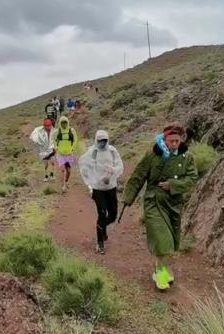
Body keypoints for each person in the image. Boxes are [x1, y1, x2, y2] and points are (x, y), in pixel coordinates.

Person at [122, 123, 198, 290]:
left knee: (170, 242)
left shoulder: (187, 157)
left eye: (177, 141)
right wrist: (128, 197)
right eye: (171, 141)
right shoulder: (152, 155)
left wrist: (173, 184)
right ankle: (161, 276)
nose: (174, 144)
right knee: (162, 239)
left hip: (173, 205)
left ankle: (161, 268)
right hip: (153, 201)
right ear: (164, 139)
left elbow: (192, 178)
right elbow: (138, 176)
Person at [79, 130, 124, 254]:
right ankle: (100, 243)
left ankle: (103, 227)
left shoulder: (113, 151)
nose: (102, 143)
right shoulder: (91, 153)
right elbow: (84, 168)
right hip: (98, 189)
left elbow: (120, 166)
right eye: (100, 141)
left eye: (104, 140)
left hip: (111, 188)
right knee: (102, 213)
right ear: (96, 140)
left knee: (113, 215)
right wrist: (90, 185)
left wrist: (112, 171)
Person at [53, 116, 78, 192]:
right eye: (62, 123)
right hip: (60, 154)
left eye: (65, 122)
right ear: (60, 123)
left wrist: (73, 148)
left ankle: (66, 182)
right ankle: (63, 186)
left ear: (67, 123)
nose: (64, 124)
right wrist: (56, 148)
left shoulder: (71, 130)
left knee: (69, 171)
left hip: (69, 154)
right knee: (63, 170)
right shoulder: (57, 132)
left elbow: (75, 140)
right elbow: (54, 141)